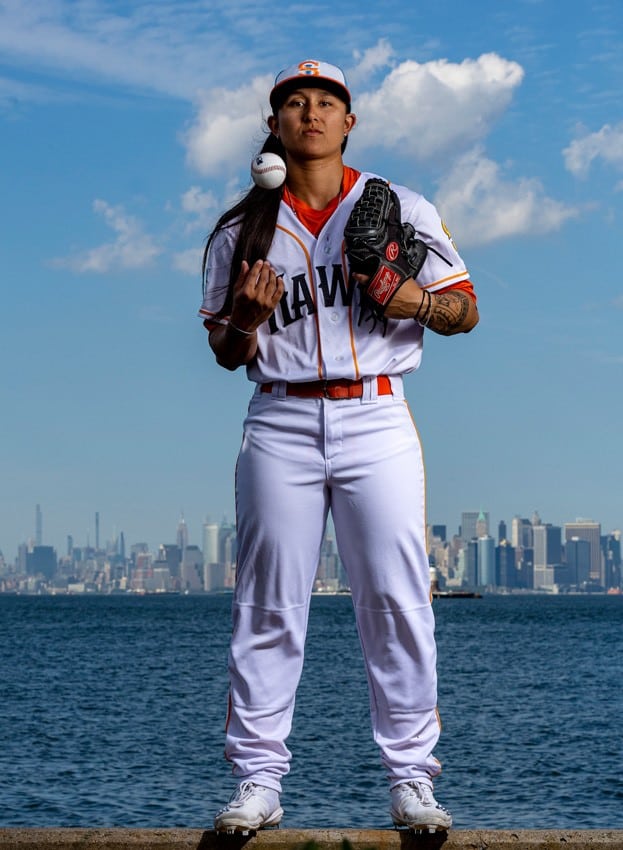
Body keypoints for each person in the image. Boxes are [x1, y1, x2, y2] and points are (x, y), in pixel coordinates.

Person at [199, 59, 479, 834]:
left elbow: (464, 309)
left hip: (376, 416)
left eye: (326, 102)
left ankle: (411, 782)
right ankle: (257, 782)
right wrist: (247, 319)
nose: (311, 113)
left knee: (395, 601)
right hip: (279, 417)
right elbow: (225, 352)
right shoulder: (239, 227)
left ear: (348, 121)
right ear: (275, 124)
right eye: (295, 103)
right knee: (266, 605)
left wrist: (408, 297)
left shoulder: (398, 206)